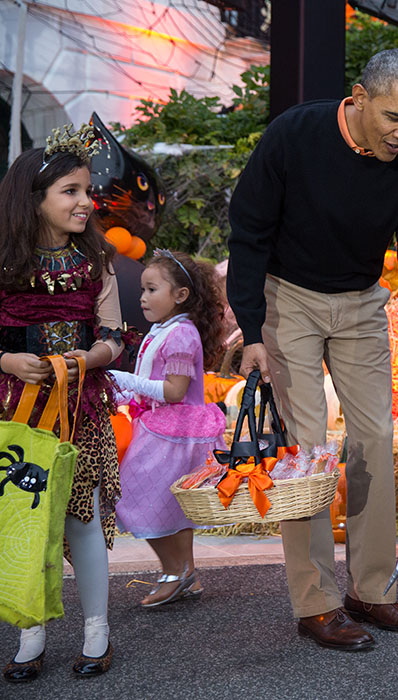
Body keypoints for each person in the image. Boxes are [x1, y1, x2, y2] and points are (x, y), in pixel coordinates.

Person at [227, 48, 398, 650]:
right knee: (308, 446)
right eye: (393, 118)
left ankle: (373, 589)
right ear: (358, 98)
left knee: (376, 439)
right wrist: (252, 330)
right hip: (289, 298)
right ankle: (317, 603)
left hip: (360, 302)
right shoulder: (294, 135)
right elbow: (249, 230)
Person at [0, 128, 125, 681]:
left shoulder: (97, 258)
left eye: (86, 190)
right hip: (16, 414)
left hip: (81, 411)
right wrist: (6, 363)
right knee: (26, 520)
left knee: (82, 521)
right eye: (70, 192)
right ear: (35, 199)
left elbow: (116, 336)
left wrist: (90, 357)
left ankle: (96, 631)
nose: (85, 202)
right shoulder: (4, 261)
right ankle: (31, 634)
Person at [110, 251, 226, 607]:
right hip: (162, 428)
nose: (142, 298)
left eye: (151, 289)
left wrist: (128, 379)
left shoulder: (181, 335)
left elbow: (174, 392)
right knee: (173, 506)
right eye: (142, 290)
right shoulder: (165, 329)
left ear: (180, 296)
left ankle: (174, 571)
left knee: (131, 498)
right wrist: (123, 391)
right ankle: (185, 574)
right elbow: (153, 380)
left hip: (174, 434)